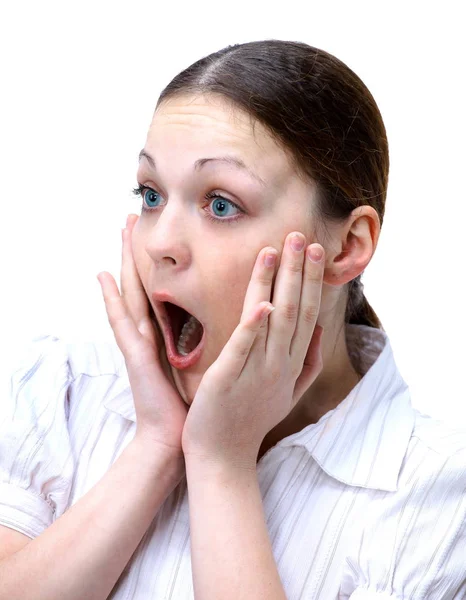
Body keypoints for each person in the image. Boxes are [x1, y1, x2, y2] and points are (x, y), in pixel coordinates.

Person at [0, 39, 465, 600]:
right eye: (150, 195)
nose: (161, 243)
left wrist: (222, 464)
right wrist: (155, 445)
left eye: (221, 204)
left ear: (346, 247)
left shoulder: (439, 502)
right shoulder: (64, 391)